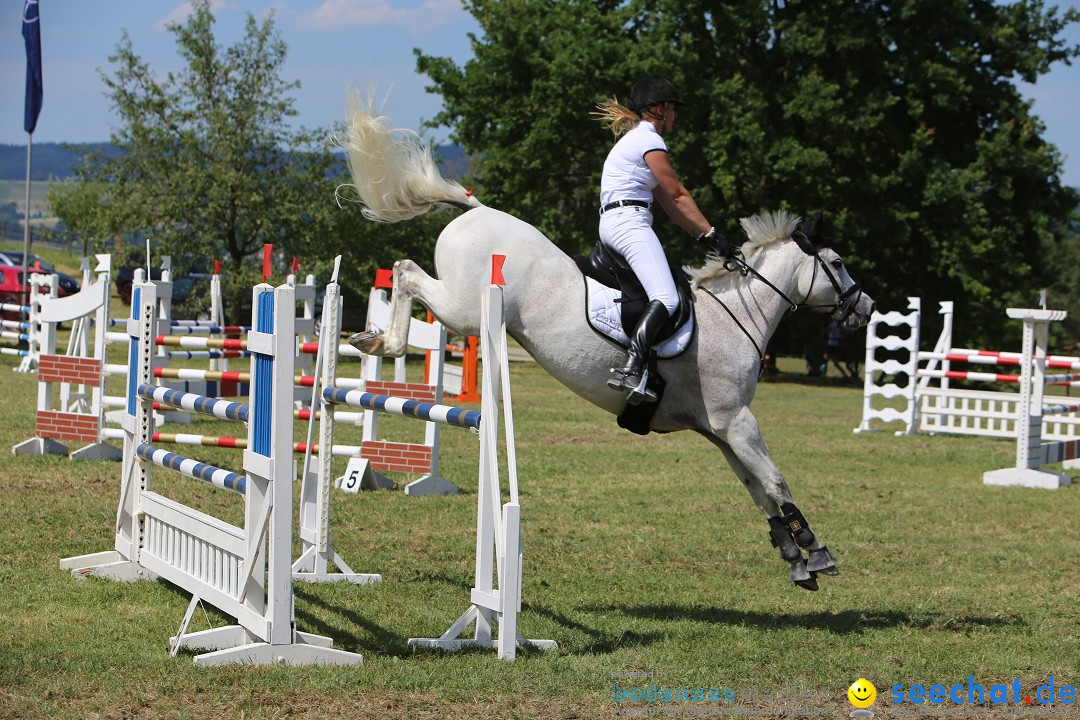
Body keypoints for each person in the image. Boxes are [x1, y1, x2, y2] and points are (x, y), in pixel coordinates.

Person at [594, 75, 720, 404]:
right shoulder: (649, 140)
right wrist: (712, 233)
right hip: (629, 222)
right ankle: (631, 368)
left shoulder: (633, 140)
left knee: (659, 292)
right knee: (667, 297)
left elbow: (668, 202)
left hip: (614, 221)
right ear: (661, 110)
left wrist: (702, 235)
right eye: (674, 110)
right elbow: (678, 194)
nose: (676, 117)